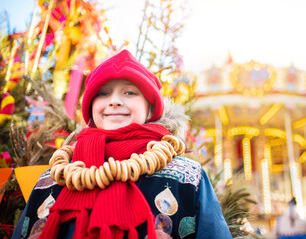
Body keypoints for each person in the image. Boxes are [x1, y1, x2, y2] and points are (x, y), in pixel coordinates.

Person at [12, 50, 232, 239]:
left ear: (149, 109)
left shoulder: (189, 176)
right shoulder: (54, 177)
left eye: (129, 92)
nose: (115, 100)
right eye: (103, 93)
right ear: (90, 108)